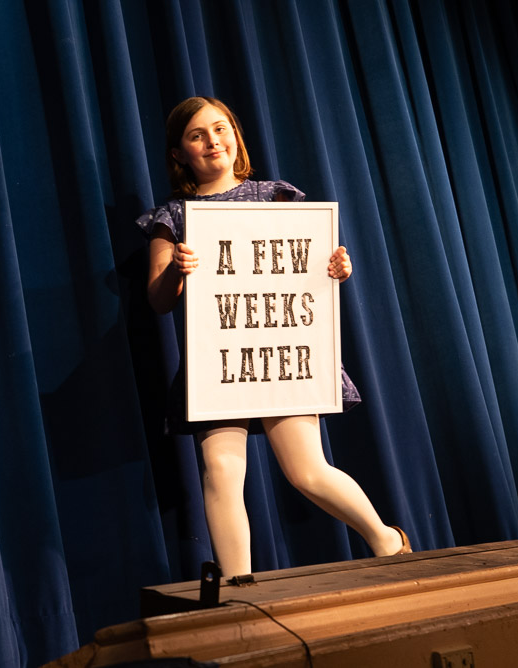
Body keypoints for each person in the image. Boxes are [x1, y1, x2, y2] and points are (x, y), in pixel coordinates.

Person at [136, 96, 411, 577]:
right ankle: (239, 587)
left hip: (279, 351)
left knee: (306, 471)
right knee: (221, 471)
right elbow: (159, 299)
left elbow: (310, 264)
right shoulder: (174, 217)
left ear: (235, 136)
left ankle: (387, 539)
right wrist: (177, 270)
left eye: (220, 129)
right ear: (179, 153)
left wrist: (335, 267)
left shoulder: (274, 196)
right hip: (220, 359)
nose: (212, 141)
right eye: (197, 135)